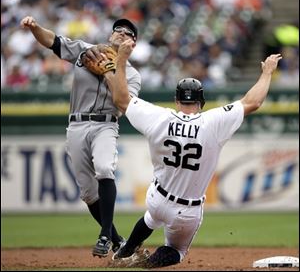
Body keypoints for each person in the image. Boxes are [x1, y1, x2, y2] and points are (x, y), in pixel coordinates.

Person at [100, 38, 282, 268]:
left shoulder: (159, 117)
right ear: (202, 101)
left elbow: (121, 99)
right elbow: (252, 102)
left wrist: (122, 60)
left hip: (157, 198)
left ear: (177, 100)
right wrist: (267, 72)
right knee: (176, 250)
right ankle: (144, 265)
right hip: (187, 210)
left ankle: (124, 252)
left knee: (151, 217)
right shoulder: (213, 122)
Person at [20, 16, 141, 258]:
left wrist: (109, 71)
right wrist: (34, 27)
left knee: (105, 169)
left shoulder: (132, 75)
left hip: (105, 125)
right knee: (87, 193)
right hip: (76, 124)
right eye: (117, 30)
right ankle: (118, 241)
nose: (121, 33)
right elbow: (52, 41)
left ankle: (105, 235)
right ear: (110, 35)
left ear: (133, 43)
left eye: (127, 33)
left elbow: (123, 103)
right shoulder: (85, 51)